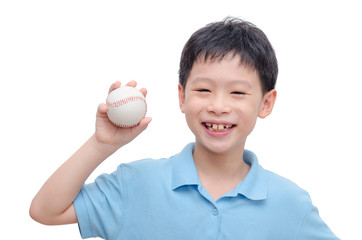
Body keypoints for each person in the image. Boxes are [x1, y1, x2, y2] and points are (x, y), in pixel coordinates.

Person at [30, 17, 339, 239]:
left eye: (238, 93)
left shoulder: (290, 203)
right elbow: (45, 211)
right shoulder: (135, 184)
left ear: (266, 104)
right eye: (204, 90)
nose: (218, 105)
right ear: (182, 97)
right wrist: (102, 144)